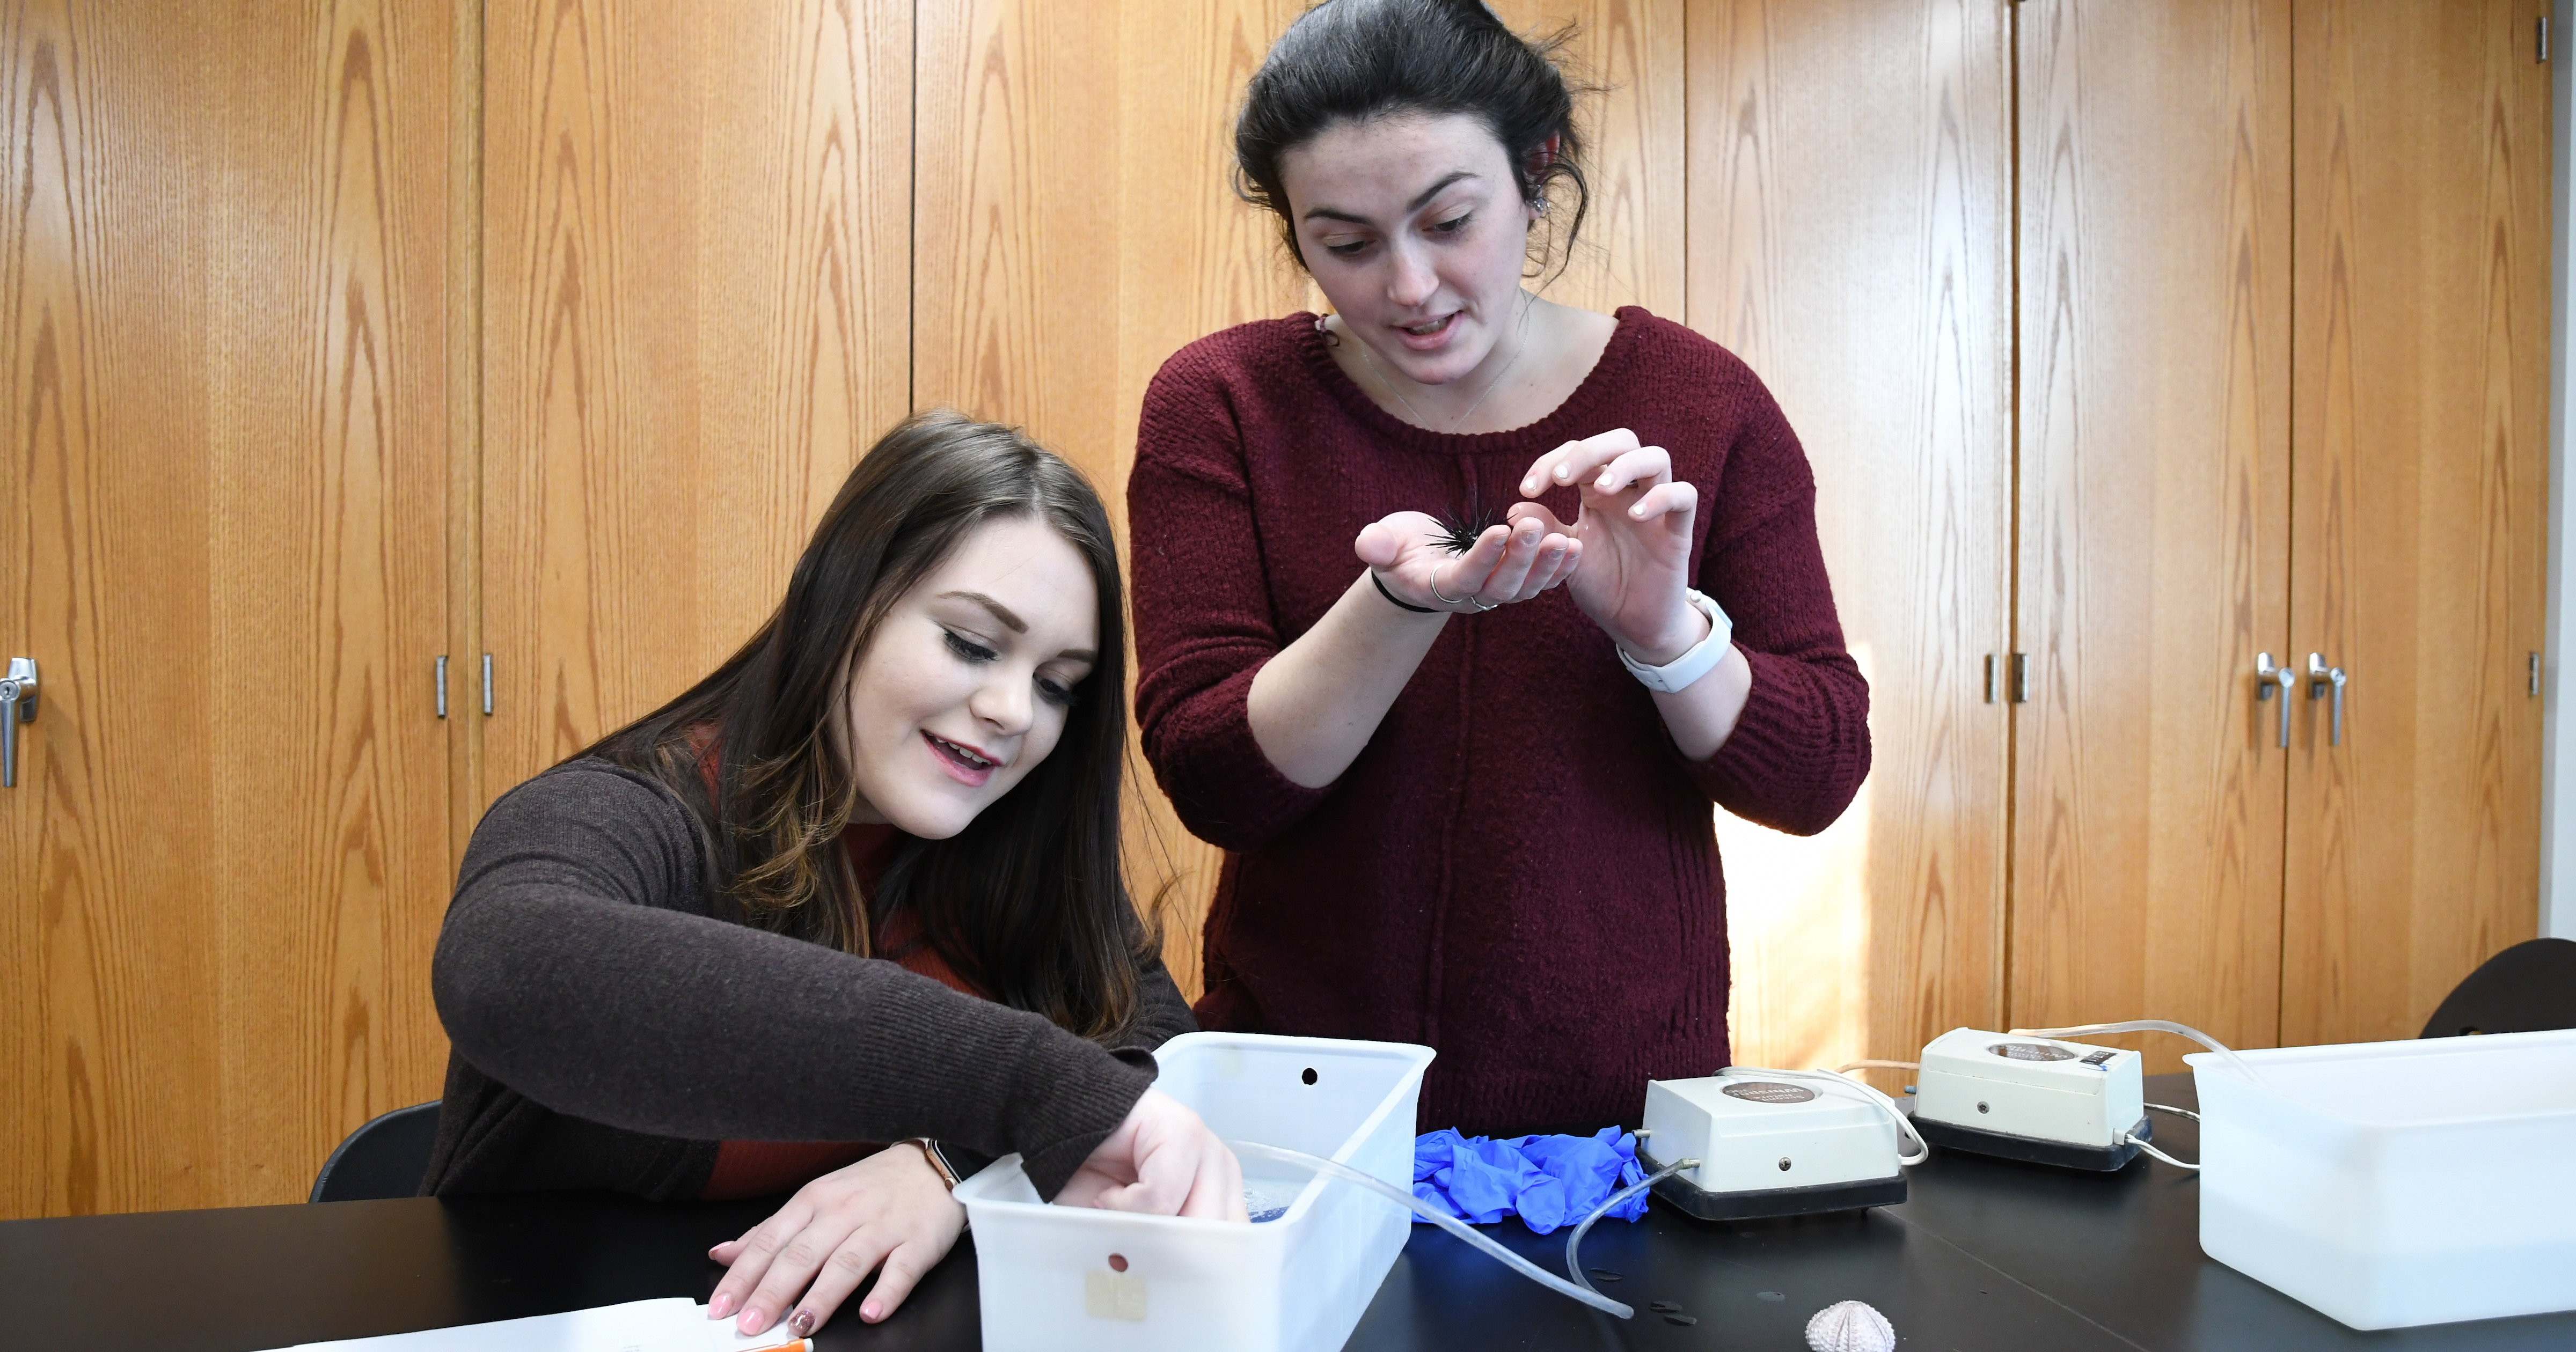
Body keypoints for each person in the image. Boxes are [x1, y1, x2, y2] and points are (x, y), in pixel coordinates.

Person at [1130, 0, 1871, 1141]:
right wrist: (1392, 607)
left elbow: (1816, 773)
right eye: (1348, 243)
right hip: (1300, 1113)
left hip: (1623, 1118)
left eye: (1450, 221)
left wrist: (1667, 640)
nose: (1411, 287)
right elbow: (1216, 785)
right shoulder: (1224, 404)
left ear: (1537, 173)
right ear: (1294, 232)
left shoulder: (1701, 404)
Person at [426, 412, 1245, 1341]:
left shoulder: (1014, 849)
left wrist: (948, 1164)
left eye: (1057, 682)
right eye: (972, 644)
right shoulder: (632, 813)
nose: (1014, 710)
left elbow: (1154, 1049)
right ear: (841, 602)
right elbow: (510, 969)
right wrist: (1012, 1092)